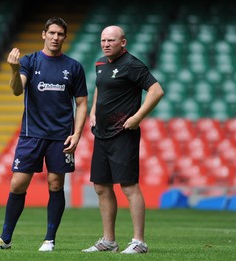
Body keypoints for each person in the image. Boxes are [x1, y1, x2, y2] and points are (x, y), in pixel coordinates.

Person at [0, 17, 88, 252]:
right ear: (44, 34)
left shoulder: (74, 67)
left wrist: (77, 134)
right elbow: (17, 90)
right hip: (31, 134)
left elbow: (81, 104)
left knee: (55, 184)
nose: (55, 38)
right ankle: (5, 239)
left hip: (61, 136)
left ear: (64, 37)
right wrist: (14, 69)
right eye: (52, 33)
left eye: (60, 34)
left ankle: (49, 240)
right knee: (18, 184)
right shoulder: (30, 61)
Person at [82, 25, 164, 254]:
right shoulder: (100, 63)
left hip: (123, 134)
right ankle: (109, 241)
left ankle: (140, 242)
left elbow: (156, 91)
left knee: (129, 186)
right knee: (100, 186)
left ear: (123, 43)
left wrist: (137, 117)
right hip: (102, 134)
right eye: (103, 40)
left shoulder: (133, 64)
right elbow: (100, 88)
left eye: (111, 40)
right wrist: (93, 111)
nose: (106, 44)